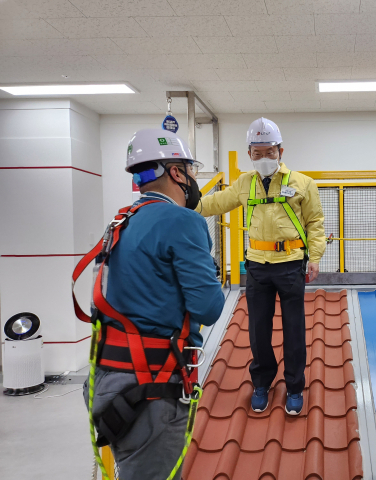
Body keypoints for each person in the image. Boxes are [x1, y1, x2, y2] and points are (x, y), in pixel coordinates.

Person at [79, 128, 225, 480]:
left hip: (105, 381)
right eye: (190, 171)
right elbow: (208, 307)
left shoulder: (120, 221)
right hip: (149, 388)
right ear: (176, 172)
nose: (192, 179)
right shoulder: (182, 221)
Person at [198, 117, 326, 416]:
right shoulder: (244, 183)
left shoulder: (302, 183)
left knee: (294, 330)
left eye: (269, 151)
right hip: (256, 266)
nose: (264, 157)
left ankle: (294, 387)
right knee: (258, 329)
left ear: (280, 150)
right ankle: (261, 383)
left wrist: (316, 255)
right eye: (257, 152)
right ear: (249, 154)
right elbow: (215, 203)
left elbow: (315, 223)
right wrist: (186, 200)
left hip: (291, 264)